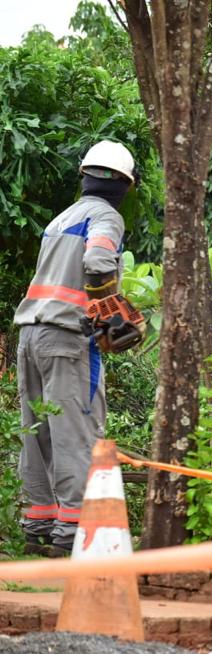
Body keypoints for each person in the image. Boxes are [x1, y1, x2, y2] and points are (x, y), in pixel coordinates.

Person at [14, 140, 136, 556]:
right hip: (67, 337)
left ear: (84, 176)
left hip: (30, 334)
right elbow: (99, 262)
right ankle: (70, 534)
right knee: (74, 432)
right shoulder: (106, 216)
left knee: (38, 433)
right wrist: (105, 309)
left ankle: (38, 524)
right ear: (124, 185)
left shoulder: (62, 218)